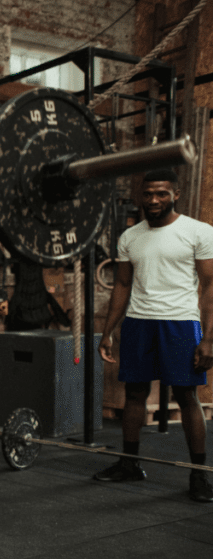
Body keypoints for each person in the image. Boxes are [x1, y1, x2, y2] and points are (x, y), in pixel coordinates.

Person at [97, 169, 213, 503]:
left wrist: (208, 338)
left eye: (161, 193)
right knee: (134, 395)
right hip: (138, 322)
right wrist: (108, 332)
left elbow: (209, 287)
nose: (153, 200)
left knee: (187, 396)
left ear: (175, 194)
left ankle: (200, 475)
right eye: (148, 194)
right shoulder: (130, 236)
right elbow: (121, 285)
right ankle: (130, 464)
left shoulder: (198, 232)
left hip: (180, 323)